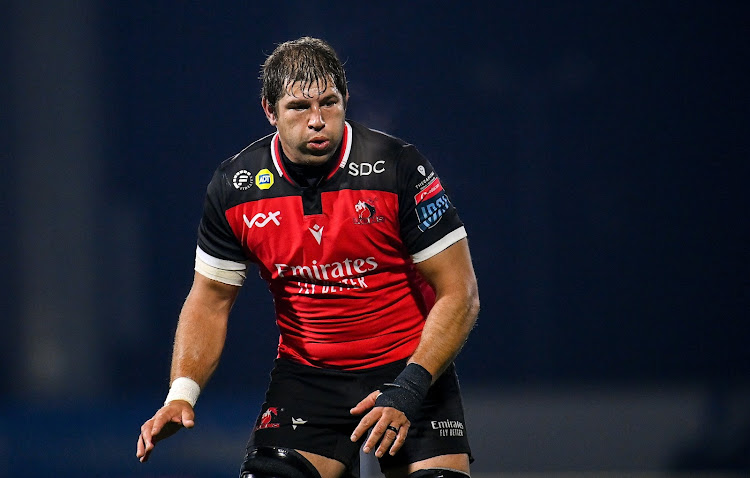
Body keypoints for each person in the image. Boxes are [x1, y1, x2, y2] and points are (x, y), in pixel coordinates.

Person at [136, 36, 480, 478]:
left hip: (411, 366)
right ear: (269, 110)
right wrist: (181, 395)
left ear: (346, 101)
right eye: (299, 107)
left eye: (330, 103)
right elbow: (210, 300)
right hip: (310, 377)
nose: (317, 121)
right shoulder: (235, 187)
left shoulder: (399, 167)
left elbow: (460, 292)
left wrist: (410, 389)